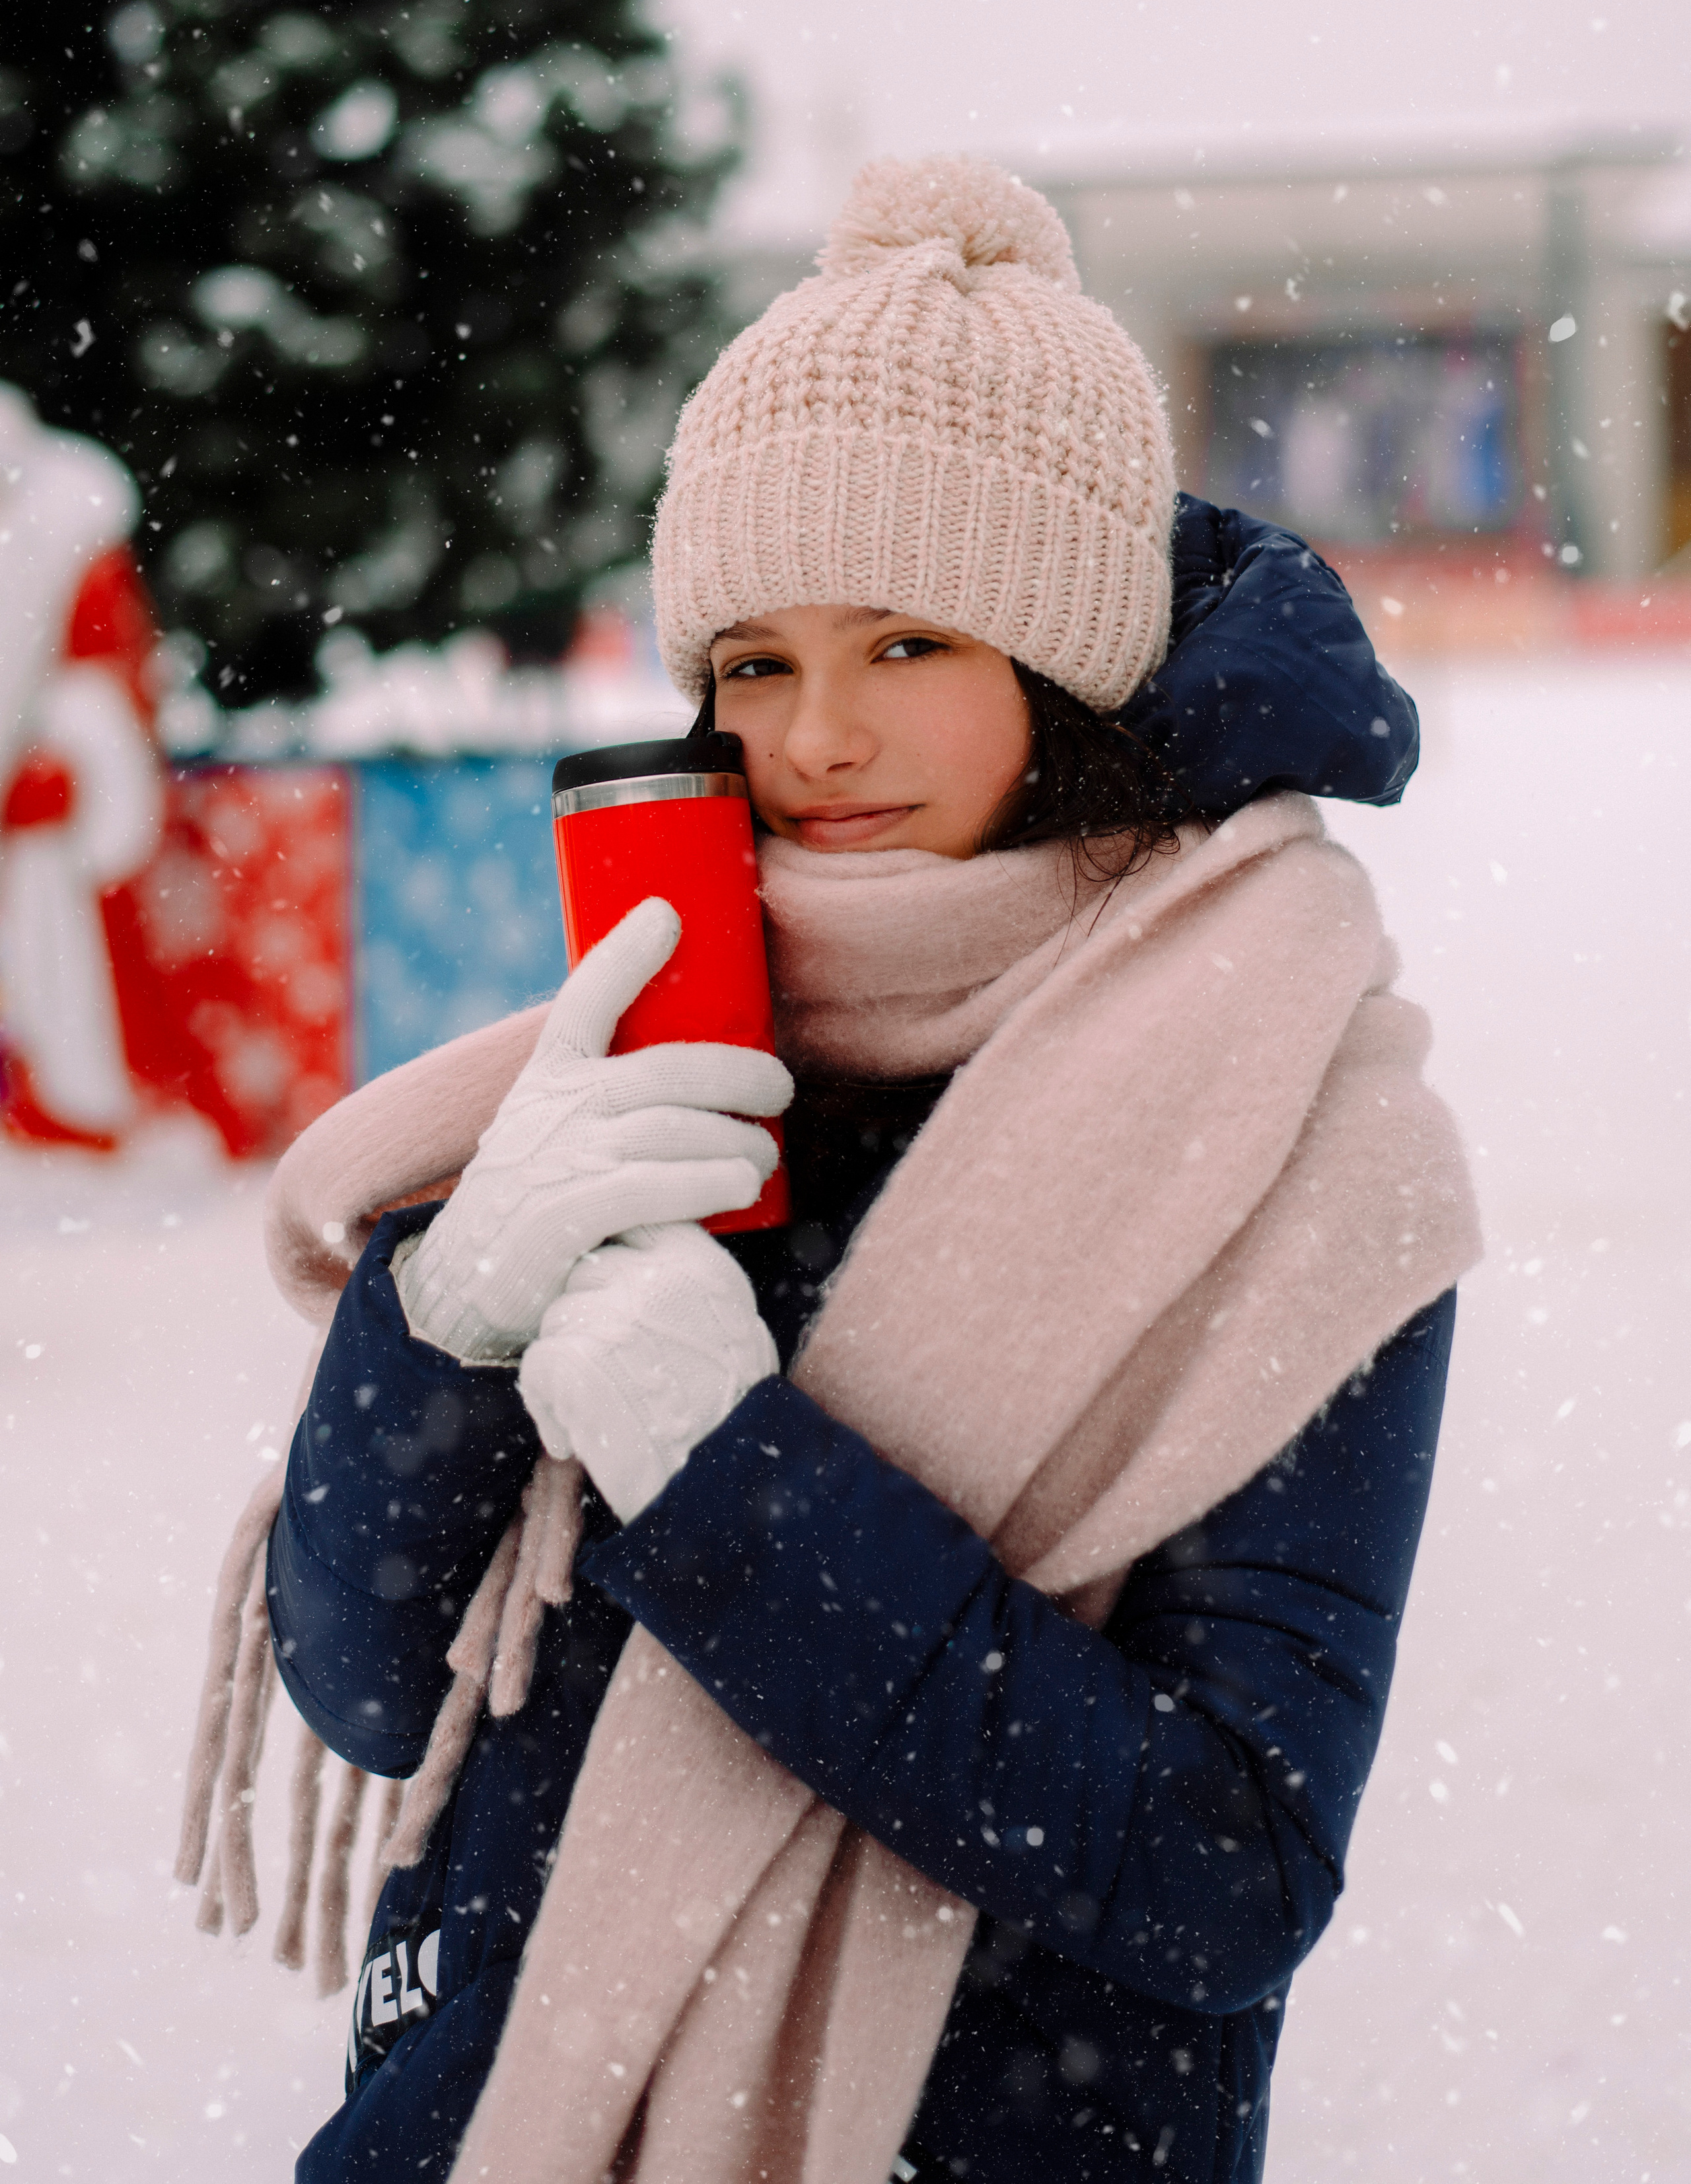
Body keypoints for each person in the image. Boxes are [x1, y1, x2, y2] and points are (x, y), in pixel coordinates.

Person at [242, 158, 1477, 2184]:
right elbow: (366, 1684)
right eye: (753, 658)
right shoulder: (649, 1047)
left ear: (1063, 661)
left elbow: (1225, 1865)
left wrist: (729, 1479)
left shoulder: (1298, 1138)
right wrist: (441, 1320)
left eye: (909, 641)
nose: (816, 735)